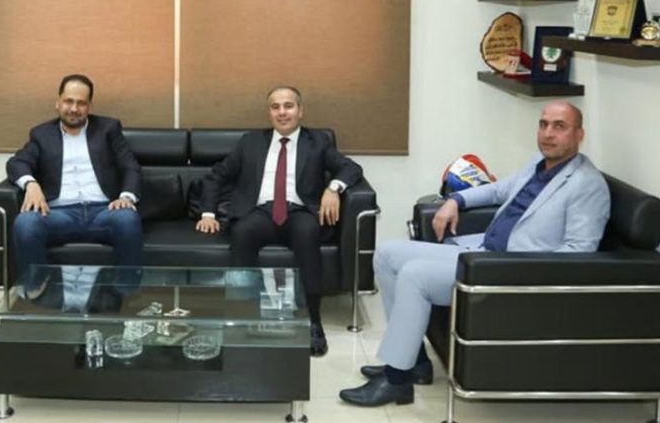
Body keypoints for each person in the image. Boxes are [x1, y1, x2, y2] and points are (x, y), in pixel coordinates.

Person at [339, 100, 610, 407]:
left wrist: (517, 267)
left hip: (507, 272)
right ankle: (415, 362)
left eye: (559, 126)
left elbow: (578, 254)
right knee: (387, 254)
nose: (548, 133)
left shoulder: (587, 185)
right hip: (482, 254)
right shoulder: (540, 164)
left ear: (579, 135)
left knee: (415, 275)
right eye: (543, 124)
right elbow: (498, 190)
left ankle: (396, 380)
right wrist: (455, 200)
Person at [195, 86, 363, 356]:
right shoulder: (251, 141)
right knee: (242, 232)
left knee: (308, 234)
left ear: (300, 111)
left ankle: (313, 322)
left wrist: (333, 188)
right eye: (275, 107)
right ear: (269, 113)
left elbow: (351, 167)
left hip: (299, 212)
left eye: (288, 106)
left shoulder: (317, 141)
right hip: (259, 212)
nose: (282, 112)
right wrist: (208, 213)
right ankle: (243, 316)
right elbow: (217, 175)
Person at [6, 73, 143, 296]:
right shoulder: (41, 134)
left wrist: (125, 197)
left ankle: (126, 293)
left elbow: (131, 167)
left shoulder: (108, 129)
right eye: (68, 101)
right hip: (59, 214)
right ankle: (37, 289)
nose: (74, 108)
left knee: (128, 218)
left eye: (81, 103)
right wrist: (31, 184)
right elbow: (17, 163)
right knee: (26, 222)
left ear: (89, 106)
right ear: (58, 102)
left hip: (104, 212)